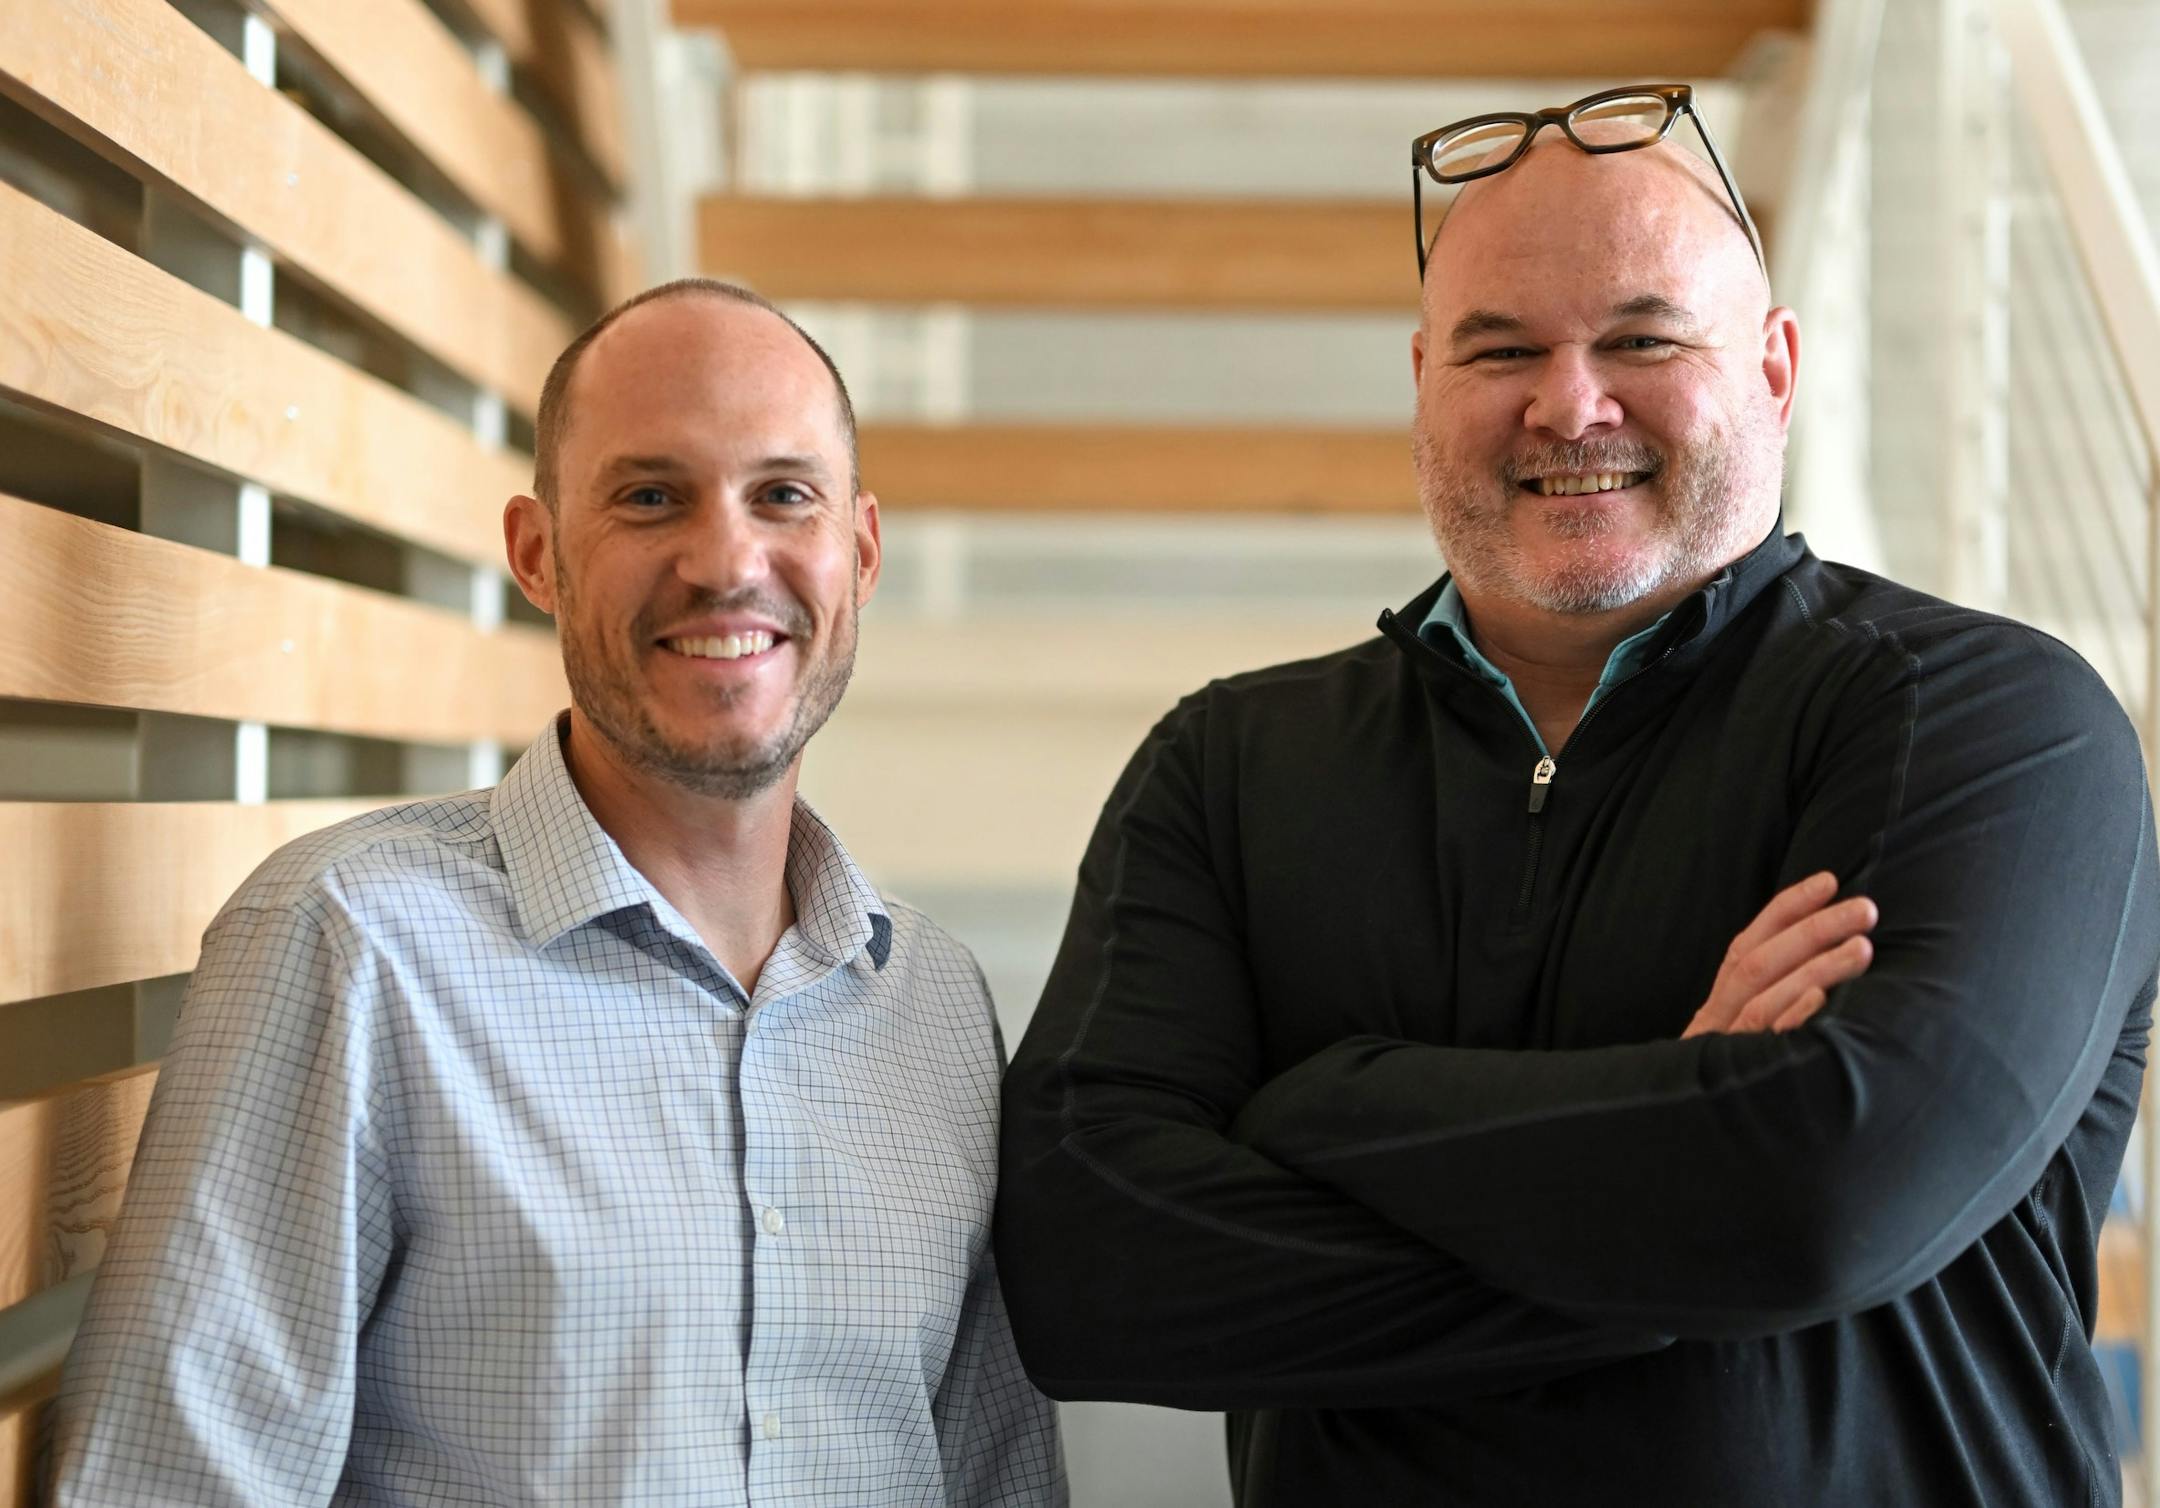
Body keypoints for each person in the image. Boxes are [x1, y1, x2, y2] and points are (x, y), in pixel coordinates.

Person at [996, 85, 2160, 1506]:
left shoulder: (1987, 726)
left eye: (1641, 338)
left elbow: (1821, 1197)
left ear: (1778, 369)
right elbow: (1086, 1269)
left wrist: (1322, 1105)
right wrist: (1689, 1166)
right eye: (1500, 348)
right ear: (1423, 379)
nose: (1570, 401)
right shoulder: (1228, 770)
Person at [50, 279, 1066, 1507]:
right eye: (651, 497)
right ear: (539, 554)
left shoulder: (935, 1004)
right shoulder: (350, 944)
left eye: (782, 495)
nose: (727, 560)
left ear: (857, 552)